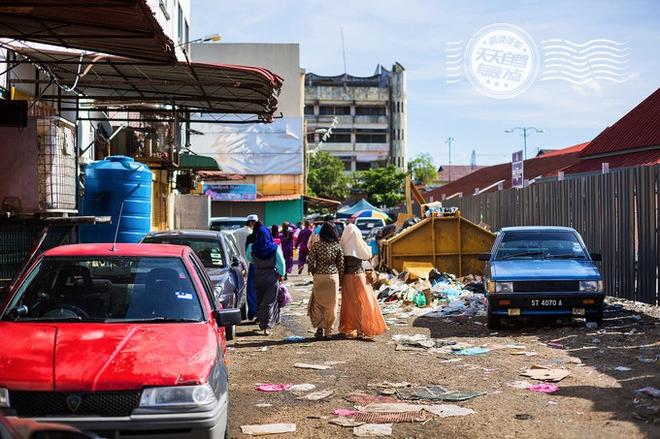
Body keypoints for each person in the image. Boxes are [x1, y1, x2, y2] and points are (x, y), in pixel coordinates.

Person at [339, 223, 387, 339]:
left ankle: (351, 328)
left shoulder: (342, 246)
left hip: (347, 277)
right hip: (360, 277)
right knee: (364, 303)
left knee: (349, 304)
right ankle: (361, 330)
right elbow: (367, 255)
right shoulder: (360, 244)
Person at [245, 223, 286, 335]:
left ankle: (261, 320)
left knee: (259, 299)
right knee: (270, 301)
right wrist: (281, 273)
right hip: (271, 276)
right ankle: (266, 326)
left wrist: (259, 263)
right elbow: (281, 262)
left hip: (257, 275)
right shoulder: (275, 247)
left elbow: (249, 259)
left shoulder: (251, 247)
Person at [306, 222, 344, 339]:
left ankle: (319, 328)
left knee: (318, 303)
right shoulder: (337, 246)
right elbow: (341, 264)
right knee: (331, 305)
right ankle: (328, 331)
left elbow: (311, 260)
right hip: (333, 277)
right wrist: (341, 280)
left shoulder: (316, 245)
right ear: (334, 233)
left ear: (322, 232)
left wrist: (313, 271)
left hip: (319, 276)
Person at [235, 215, 258, 320]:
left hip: (239, 263)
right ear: (251, 223)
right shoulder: (251, 234)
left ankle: (242, 310)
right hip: (249, 263)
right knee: (250, 289)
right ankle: (250, 311)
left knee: (241, 288)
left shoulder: (237, 232)